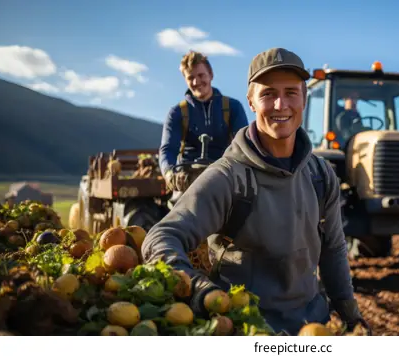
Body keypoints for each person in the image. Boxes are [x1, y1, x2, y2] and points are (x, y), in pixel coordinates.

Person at [142, 47, 370, 336]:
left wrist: (349, 312)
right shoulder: (228, 178)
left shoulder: (320, 175)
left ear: (304, 98)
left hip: (313, 327)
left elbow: (335, 248)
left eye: (290, 92)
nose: (280, 104)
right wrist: (199, 288)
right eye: (267, 94)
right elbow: (160, 238)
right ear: (250, 101)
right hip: (247, 328)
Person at [159, 50, 249, 192]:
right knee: (180, 213)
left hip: (224, 178)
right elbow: (168, 149)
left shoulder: (233, 107)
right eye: (190, 78)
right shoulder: (177, 113)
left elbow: (245, 147)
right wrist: (170, 173)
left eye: (201, 75)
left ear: (211, 74)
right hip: (187, 182)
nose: (196, 82)